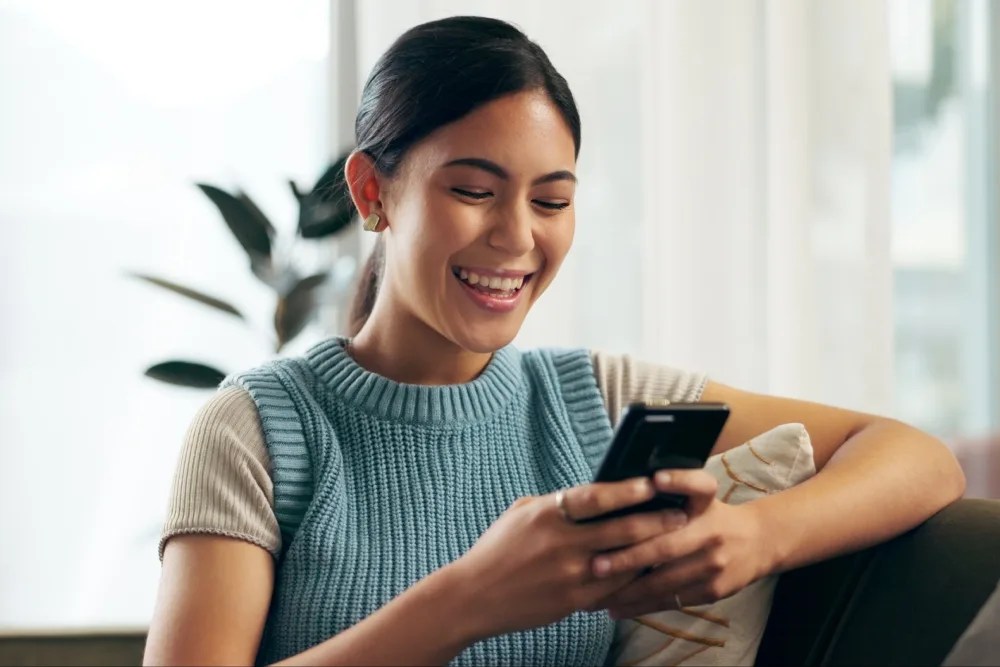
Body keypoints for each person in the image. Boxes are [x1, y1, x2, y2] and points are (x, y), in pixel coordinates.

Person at [143, 15, 966, 667]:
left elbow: (916, 458)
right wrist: (472, 596)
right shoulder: (259, 429)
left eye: (551, 200)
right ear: (372, 192)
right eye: (473, 190)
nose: (515, 238)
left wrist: (758, 537)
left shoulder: (597, 399)